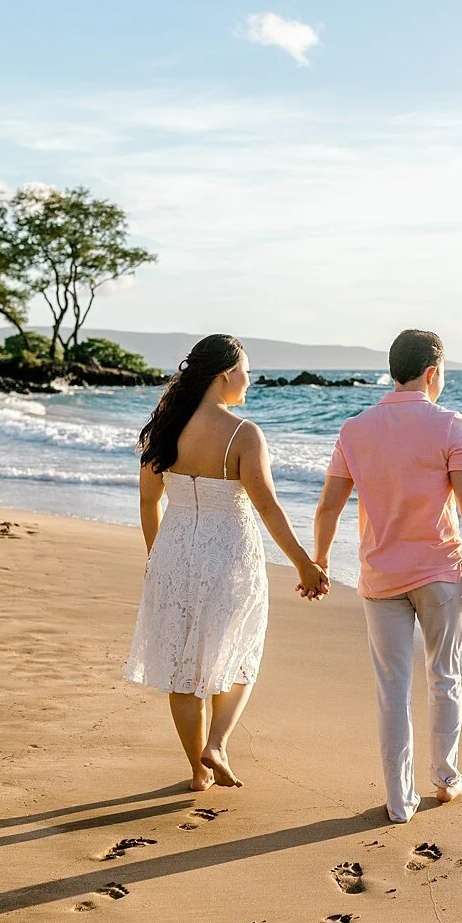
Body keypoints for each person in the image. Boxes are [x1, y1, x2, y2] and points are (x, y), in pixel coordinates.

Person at [125, 334, 329, 792]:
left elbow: (147, 500)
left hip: (174, 548)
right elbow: (269, 508)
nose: (249, 381)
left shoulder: (163, 428)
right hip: (229, 554)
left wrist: (160, 558)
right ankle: (216, 743)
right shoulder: (243, 433)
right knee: (237, 651)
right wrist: (303, 565)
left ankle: (198, 773)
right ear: (225, 375)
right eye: (246, 372)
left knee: (181, 666)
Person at [312, 329, 462, 823]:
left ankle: (398, 800)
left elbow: (329, 506)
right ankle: (447, 777)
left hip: (381, 577)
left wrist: (320, 562)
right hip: (439, 572)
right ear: (432, 373)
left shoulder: (355, 428)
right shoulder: (450, 424)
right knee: (444, 677)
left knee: (392, 687)